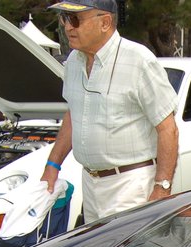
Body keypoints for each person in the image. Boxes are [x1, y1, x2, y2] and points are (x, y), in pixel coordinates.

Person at [42, 0, 178, 223]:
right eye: (65, 18)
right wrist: (52, 166)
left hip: (131, 185)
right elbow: (74, 115)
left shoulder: (138, 60)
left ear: (105, 22)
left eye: (75, 19)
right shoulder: (73, 63)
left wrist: (162, 188)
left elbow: (168, 129)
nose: (67, 27)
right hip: (90, 182)